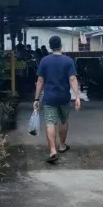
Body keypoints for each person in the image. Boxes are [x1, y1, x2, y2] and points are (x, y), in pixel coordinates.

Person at [34, 35, 81, 163]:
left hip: (49, 98)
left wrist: (36, 99)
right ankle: (62, 145)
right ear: (61, 45)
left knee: (50, 123)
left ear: (50, 46)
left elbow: (40, 81)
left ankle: (53, 150)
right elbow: (72, 79)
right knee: (64, 121)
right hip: (64, 97)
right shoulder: (68, 61)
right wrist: (77, 97)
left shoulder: (44, 61)